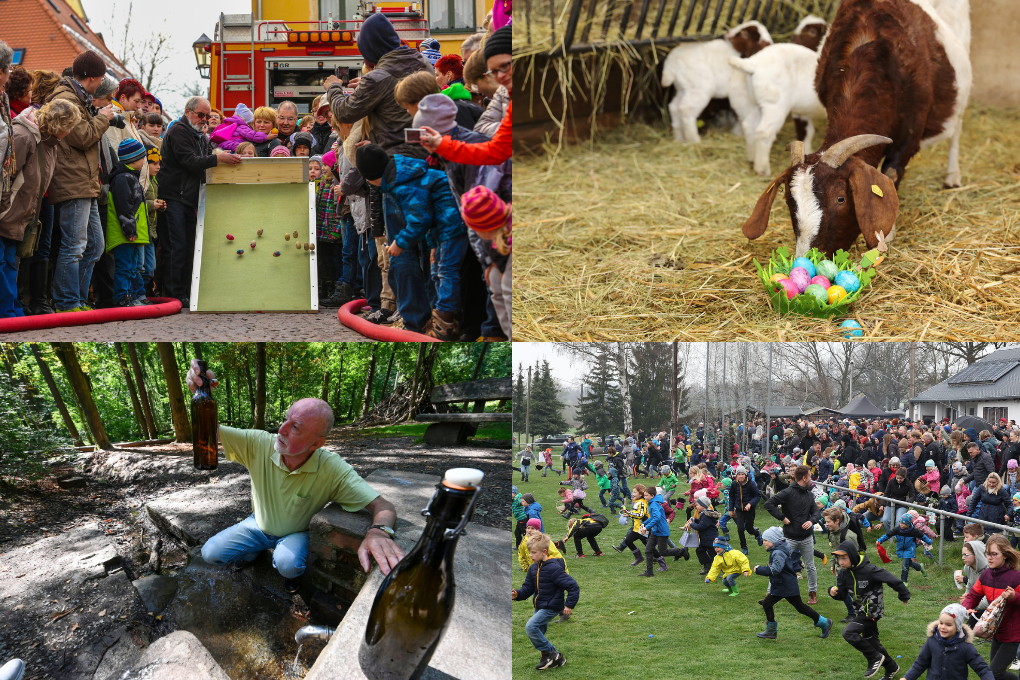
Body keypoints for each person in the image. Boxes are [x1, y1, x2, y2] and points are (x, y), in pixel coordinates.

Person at [186, 361, 404, 591]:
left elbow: (383, 506)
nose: (281, 430)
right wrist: (200, 396)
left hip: (295, 533)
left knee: (288, 565)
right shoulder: (260, 443)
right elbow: (208, 430)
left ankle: (292, 575)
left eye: (296, 427)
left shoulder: (333, 469)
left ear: (317, 444)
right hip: (257, 524)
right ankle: (254, 550)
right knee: (210, 553)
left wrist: (379, 532)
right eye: (286, 419)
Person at [355, 142, 468, 338]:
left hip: (453, 227)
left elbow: (420, 220)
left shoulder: (404, 185)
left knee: (446, 271)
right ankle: (437, 319)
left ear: (371, 178)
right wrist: (432, 245)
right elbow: (430, 216)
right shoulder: (403, 173)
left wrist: (400, 242)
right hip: (442, 228)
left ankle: (445, 323)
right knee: (436, 271)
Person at [45, 50, 117, 312]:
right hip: (72, 182)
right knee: (73, 246)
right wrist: (103, 117)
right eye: (101, 78)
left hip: (85, 182)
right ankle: (66, 302)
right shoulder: (66, 100)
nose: (102, 83)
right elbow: (83, 137)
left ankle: (77, 299)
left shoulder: (78, 98)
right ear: (92, 77)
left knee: (95, 246)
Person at [159, 97, 240, 307]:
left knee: (188, 247)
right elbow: (189, 161)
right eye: (201, 115)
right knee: (177, 247)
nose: (204, 119)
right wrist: (218, 159)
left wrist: (220, 159)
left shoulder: (198, 135)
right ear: (188, 112)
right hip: (174, 197)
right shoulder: (178, 131)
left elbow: (202, 161)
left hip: (188, 198)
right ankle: (174, 294)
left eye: (207, 115)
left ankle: (185, 292)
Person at [0, 99, 78, 318]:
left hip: (21, 213)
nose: (70, 132)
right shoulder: (24, 136)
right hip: (8, 211)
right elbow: (7, 177)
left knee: (10, 262)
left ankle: (12, 310)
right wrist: (5, 207)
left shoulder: (50, 142)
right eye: (69, 127)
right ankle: (7, 312)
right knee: (3, 262)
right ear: (59, 124)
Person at [829, 539, 910, 679]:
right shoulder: (843, 574)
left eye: (844, 558)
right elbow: (842, 595)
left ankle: (874, 657)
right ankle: (891, 667)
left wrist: (904, 594)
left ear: (852, 556)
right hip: (860, 610)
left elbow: (891, 579)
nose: (840, 562)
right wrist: (832, 592)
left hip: (872, 610)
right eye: (839, 559)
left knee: (848, 633)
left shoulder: (869, 570)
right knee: (871, 641)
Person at [754, 526, 833, 640]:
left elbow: (775, 570)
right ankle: (771, 630)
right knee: (767, 603)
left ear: (774, 540)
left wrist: (759, 569)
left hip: (787, 586)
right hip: (781, 585)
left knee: (801, 607)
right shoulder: (778, 550)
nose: (764, 542)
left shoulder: (778, 552)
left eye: (766, 540)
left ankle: (825, 623)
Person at [512, 532, 575, 670]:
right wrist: (517, 594)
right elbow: (528, 588)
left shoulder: (554, 568)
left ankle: (551, 654)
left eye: (534, 552)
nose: (530, 555)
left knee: (531, 627)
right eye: (529, 552)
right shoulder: (533, 568)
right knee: (538, 631)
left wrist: (569, 605)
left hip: (551, 606)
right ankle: (556, 659)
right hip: (540, 606)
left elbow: (573, 586)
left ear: (544, 552)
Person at [961, 534, 1020, 680]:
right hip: (996, 632)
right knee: (994, 675)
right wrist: (963, 610)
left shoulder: (1016, 577)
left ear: (1005, 555)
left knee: (993, 674)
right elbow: (973, 596)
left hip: (1013, 635)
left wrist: (1014, 596)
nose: (990, 558)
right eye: (987, 554)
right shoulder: (986, 575)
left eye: (994, 554)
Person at [764, 464, 821, 604]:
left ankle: (812, 594)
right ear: (804, 478)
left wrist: (812, 521)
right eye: (810, 476)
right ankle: (769, 594)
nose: (811, 478)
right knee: (778, 564)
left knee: (810, 566)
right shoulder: (788, 492)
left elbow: (816, 512)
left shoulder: (809, 494)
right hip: (789, 537)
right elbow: (769, 504)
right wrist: (782, 517)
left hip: (806, 537)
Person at [106, 138, 151, 307]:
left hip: (131, 234)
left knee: (133, 267)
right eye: (142, 158)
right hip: (125, 234)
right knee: (125, 267)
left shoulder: (129, 177)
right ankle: (122, 298)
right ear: (133, 160)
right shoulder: (123, 179)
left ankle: (133, 296)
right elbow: (124, 207)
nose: (144, 162)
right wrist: (130, 230)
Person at [901, 603, 994, 680]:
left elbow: (982, 668)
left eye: (948, 625)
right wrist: (907, 678)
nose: (943, 627)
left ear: (958, 626)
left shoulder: (965, 647)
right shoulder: (931, 641)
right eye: (941, 623)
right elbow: (920, 663)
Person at [210, 102, 277, 152]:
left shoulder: (275, 142)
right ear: (253, 123)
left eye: (266, 122)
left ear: (273, 124)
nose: (262, 125)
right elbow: (253, 136)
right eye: (259, 122)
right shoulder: (243, 128)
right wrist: (266, 137)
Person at [728, 465, 763, 554]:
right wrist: (731, 509)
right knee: (740, 529)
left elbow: (758, 495)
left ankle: (757, 534)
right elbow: (732, 497)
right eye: (739, 474)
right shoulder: (734, 484)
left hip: (749, 510)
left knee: (749, 529)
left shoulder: (751, 483)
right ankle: (744, 547)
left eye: (742, 474)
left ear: (745, 475)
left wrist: (750, 504)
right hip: (739, 510)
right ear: (736, 475)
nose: (741, 476)